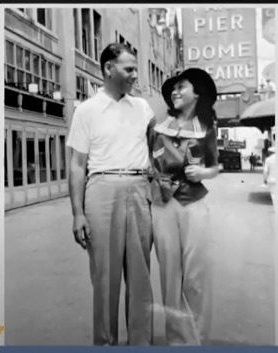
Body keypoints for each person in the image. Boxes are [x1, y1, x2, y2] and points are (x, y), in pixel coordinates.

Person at [66, 43, 155, 345]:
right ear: (108, 69)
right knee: (105, 279)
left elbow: (158, 152)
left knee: (141, 277)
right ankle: (105, 344)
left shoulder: (143, 108)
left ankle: (141, 343)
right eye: (129, 69)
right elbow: (78, 165)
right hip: (101, 192)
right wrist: (78, 213)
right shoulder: (86, 111)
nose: (134, 76)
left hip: (140, 189)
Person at [148, 68, 219, 345]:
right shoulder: (157, 127)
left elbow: (214, 167)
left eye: (181, 87)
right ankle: (178, 341)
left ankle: (197, 338)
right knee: (169, 276)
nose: (175, 92)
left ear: (197, 93)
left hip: (194, 205)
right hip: (163, 205)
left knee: (196, 276)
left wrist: (203, 174)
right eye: (173, 89)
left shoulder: (206, 129)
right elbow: (148, 162)